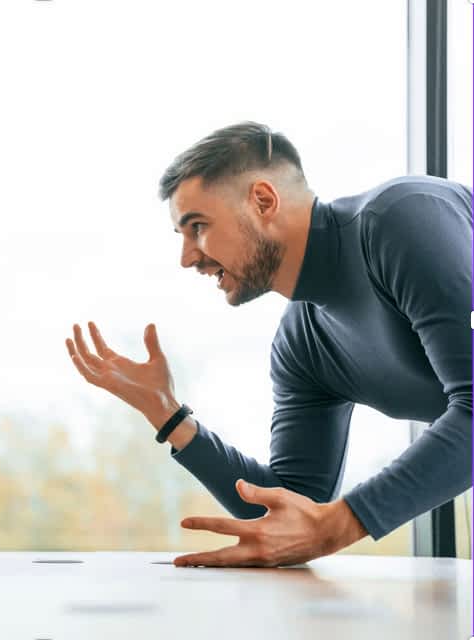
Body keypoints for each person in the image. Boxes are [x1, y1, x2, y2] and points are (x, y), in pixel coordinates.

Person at [66, 121, 472, 567]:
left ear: (263, 200)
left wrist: (341, 523)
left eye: (197, 226)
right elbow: (287, 509)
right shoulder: (303, 344)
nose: (187, 258)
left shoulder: (404, 220)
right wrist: (168, 414)